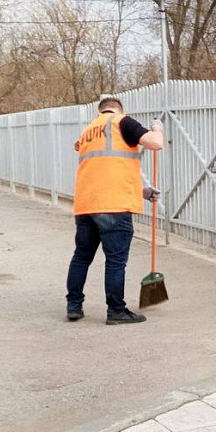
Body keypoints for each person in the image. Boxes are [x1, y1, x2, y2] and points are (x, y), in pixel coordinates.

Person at [67, 94, 164, 324]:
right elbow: (156, 143)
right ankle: (116, 311)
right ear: (119, 109)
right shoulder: (122, 122)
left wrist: (142, 191)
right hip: (113, 207)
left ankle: (74, 306)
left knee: (81, 257)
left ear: (99, 111)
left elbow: (104, 170)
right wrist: (157, 128)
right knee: (115, 261)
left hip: (87, 205)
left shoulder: (88, 132)